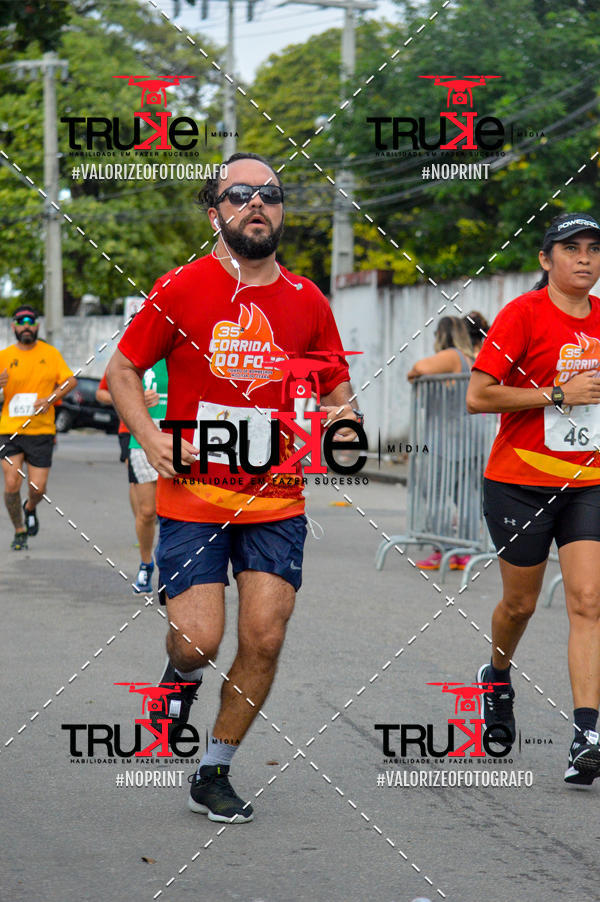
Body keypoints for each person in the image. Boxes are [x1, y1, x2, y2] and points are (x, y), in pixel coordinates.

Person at [106, 151, 361, 822]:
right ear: (215, 210)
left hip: (276, 500)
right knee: (198, 640)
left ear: (281, 211)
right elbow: (123, 371)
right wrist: (150, 438)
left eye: (271, 194)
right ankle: (180, 676)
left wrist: (343, 422)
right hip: (193, 498)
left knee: (265, 638)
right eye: (240, 193)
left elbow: (337, 387)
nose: (258, 203)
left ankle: (213, 771)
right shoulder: (183, 288)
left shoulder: (307, 300)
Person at [466, 212, 600, 785]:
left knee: (588, 601)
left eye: (594, 249)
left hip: (586, 483)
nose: (585, 259)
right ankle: (496, 676)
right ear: (546, 260)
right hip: (519, 483)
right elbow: (478, 395)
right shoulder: (521, 314)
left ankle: (587, 735)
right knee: (519, 605)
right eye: (571, 249)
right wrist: (557, 394)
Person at [0, 306, 77, 550]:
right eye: (20, 322)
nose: (25, 326)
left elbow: (70, 380)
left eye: (30, 321)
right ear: (13, 327)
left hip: (42, 430)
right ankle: (19, 530)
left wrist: (51, 399)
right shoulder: (4, 356)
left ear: (37, 326)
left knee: (37, 487)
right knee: (12, 483)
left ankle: (30, 507)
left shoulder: (50, 353)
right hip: (9, 429)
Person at [407, 316, 476, 571]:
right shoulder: (471, 360)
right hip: (470, 442)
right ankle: (465, 550)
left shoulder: (451, 356)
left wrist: (413, 374)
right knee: (467, 496)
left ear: (442, 334)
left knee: (435, 493)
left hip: (444, 441)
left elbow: (420, 367)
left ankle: (442, 548)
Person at [98, 362, 167, 593]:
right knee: (147, 512)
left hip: (179, 435)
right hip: (141, 438)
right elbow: (105, 392)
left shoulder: (184, 349)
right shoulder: (134, 356)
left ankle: (171, 565)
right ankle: (146, 563)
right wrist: (133, 399)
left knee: (179, 511)